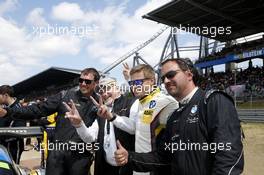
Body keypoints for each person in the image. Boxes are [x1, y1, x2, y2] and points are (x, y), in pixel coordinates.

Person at [114, 58, 244, 175]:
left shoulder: (213, 101)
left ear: (189, 74)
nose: (166, 80)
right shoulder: (175, 115)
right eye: (163, 77)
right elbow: (163, 158)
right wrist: (129, 157)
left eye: (171, 75)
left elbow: (229, 155)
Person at [0, 68, 100, 175]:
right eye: (81, 80)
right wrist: (8, 112)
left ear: (96, 83)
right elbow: (37, 109)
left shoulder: (100, 104)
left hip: (80, 157)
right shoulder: (64, 95)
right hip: (57, 155)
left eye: (87, 81)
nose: (83, 84)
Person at [95, 64, 178, 175]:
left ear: (152, 81)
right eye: (132, 83)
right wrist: (111, 117)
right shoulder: (141, 103)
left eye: (138, 83)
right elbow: (134, 127)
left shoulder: (166, 103)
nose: (134, 87)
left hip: (156, 169)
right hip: (139, 168)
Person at [65, 77, 136, 175]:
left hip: (127, 167)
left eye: (107, 88)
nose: (104, 94)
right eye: (101, 91)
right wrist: (79, 124)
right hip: (105, 167)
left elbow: (133, 128)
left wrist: (112, 117)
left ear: (117, 88)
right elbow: (89, 137)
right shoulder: (101, 112)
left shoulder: (131, 104)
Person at [0, 85, 26, 164]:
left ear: (5, 95)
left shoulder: (18, 108)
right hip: (3, 146)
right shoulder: (4, 107)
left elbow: (19, 131)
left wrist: (3, 137)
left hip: (13, 147)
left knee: (12, 168)